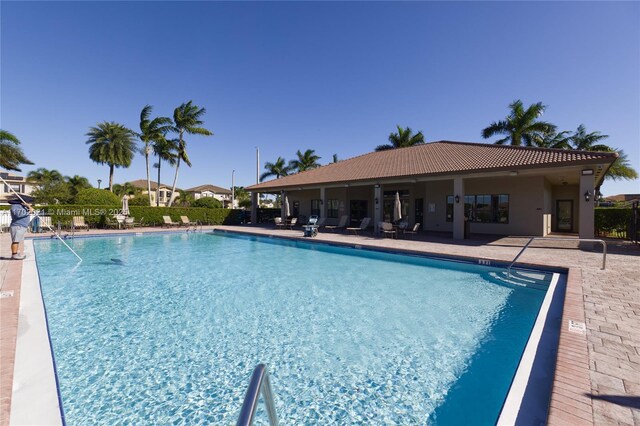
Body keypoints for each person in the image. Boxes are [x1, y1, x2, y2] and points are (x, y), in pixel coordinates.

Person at [9, 196, 34, 260]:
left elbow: (29, 211)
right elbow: (17, 215)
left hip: (21, 226)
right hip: (17, 226)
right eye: (29, 202)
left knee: (17, 241)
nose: (30, 203)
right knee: (15, 241)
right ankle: (14, 255)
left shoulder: (22, 206)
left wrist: (29, 207)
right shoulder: (15, 206)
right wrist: (29, 211)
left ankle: (16, 253)